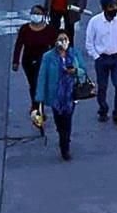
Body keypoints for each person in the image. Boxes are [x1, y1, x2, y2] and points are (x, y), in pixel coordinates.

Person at [35, 31, 86, 161]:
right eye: (60, 39)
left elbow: (83, 71)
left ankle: (65, 146)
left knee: (67, 120)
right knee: (59, 119)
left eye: (65, 39)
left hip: (70, 94)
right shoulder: (48, 57)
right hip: (55, 95)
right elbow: (42, 77)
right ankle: (62, 136)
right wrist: (39, 98)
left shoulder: (74, 54)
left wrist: (75, 71)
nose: (62, 42)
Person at [86, 0, 117, 126]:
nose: (114, 9)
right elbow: (89, 43)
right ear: (104, 8)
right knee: (102, 86)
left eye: (115, 6)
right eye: (111, 7)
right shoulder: (95, 22)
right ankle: (103, 110)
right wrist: (96, 57)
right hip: (102, 59)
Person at [12, 5, 58, 112]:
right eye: (33, 13)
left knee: (40, 83)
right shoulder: (25, 29)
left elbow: (55, 47)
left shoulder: (49, 30)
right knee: (33, 84)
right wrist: (15, 61)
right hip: (28, 61)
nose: (35, 15)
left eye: (38, 13)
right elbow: (19, 45)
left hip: (43, 61)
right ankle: (35, 105)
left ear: (43, 15)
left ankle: (39, 105)